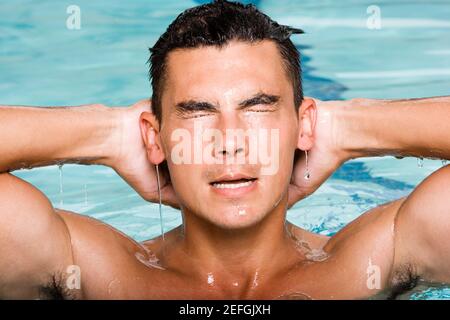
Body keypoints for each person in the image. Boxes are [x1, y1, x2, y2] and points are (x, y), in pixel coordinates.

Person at [0, 0, 449, 300]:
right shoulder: (92, 271)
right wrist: (104, 134)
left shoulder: (376, 259)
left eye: (258, 108)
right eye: (197, 111)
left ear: (303, 124)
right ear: (155, 137)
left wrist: (355, 126)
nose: (230, 140)